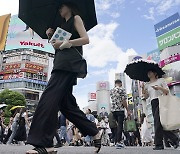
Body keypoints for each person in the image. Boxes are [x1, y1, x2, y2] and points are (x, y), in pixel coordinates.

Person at [26, 2, 102, 154]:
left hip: (68, 66)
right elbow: (56, 46)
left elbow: (85, 39)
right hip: (60, 63)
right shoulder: (60, 26)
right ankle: (94, 132)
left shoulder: (76, 18)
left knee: (48, 99)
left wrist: (68, 43)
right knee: (67, 106)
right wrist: (50, 35)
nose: (59, 9)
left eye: (61, 6)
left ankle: (45, 144)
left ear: (69, 5)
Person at [142, 69, 179, 150]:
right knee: (160, 124)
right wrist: (143, 89)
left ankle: (159, 144)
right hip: (153, 103)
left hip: (161, 101)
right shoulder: (147, 85)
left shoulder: (160, 80)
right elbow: (146, 97)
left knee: (157, 123)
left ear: (155, 73)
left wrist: (159, 88)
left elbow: (167, 91)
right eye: (148, 72)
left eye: (150, 72)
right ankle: (175, 139)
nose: (148, 73)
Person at [110, 79, 130, 148]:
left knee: (118, 125)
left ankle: (117, 141)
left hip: (113, 110)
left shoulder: (112, 90)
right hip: (120, 110)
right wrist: (128, 110)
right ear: (121, 83)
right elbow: (123, 100)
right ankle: (118, 142)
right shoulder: (122, 89)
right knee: (120, 126)